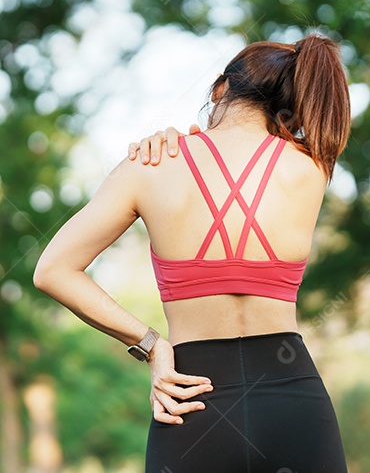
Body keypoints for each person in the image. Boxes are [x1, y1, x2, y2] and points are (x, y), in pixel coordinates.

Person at [33, 34, 351, 472]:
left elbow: (52, 270)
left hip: (191, 402)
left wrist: (150, 346)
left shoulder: (149, 165)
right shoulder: (314, 164)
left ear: (220, 88)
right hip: (294, 401)